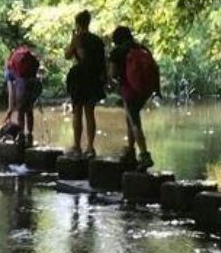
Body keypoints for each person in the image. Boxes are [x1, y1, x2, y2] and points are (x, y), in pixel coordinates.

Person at [109, 26, 155, 171]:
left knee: (135, 122)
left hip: (129, 90)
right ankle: (130, 150)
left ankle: (144, 155)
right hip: (145, 90)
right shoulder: (141, 48)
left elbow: (112, 74)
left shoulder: (117, 52)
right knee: (130, 118)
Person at [65, 10, 106, 157]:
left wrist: (72, 39)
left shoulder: (78, 38)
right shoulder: (97, 40)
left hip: (79, 77)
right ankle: (90, 147)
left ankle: (77, 146)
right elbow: (102, 62)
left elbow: (67, 55)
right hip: (93, 78)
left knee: (77, 111)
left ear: (77, 23)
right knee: (90, 112)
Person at [6, 42, 42, 148]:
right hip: (33, 84)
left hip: (22, 85)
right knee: (29, 110)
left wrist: (10, 108)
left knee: (21, 110)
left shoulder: (12, 64)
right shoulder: (29, 57)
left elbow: (11, 91)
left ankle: (21, 135)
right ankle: (30, 135)